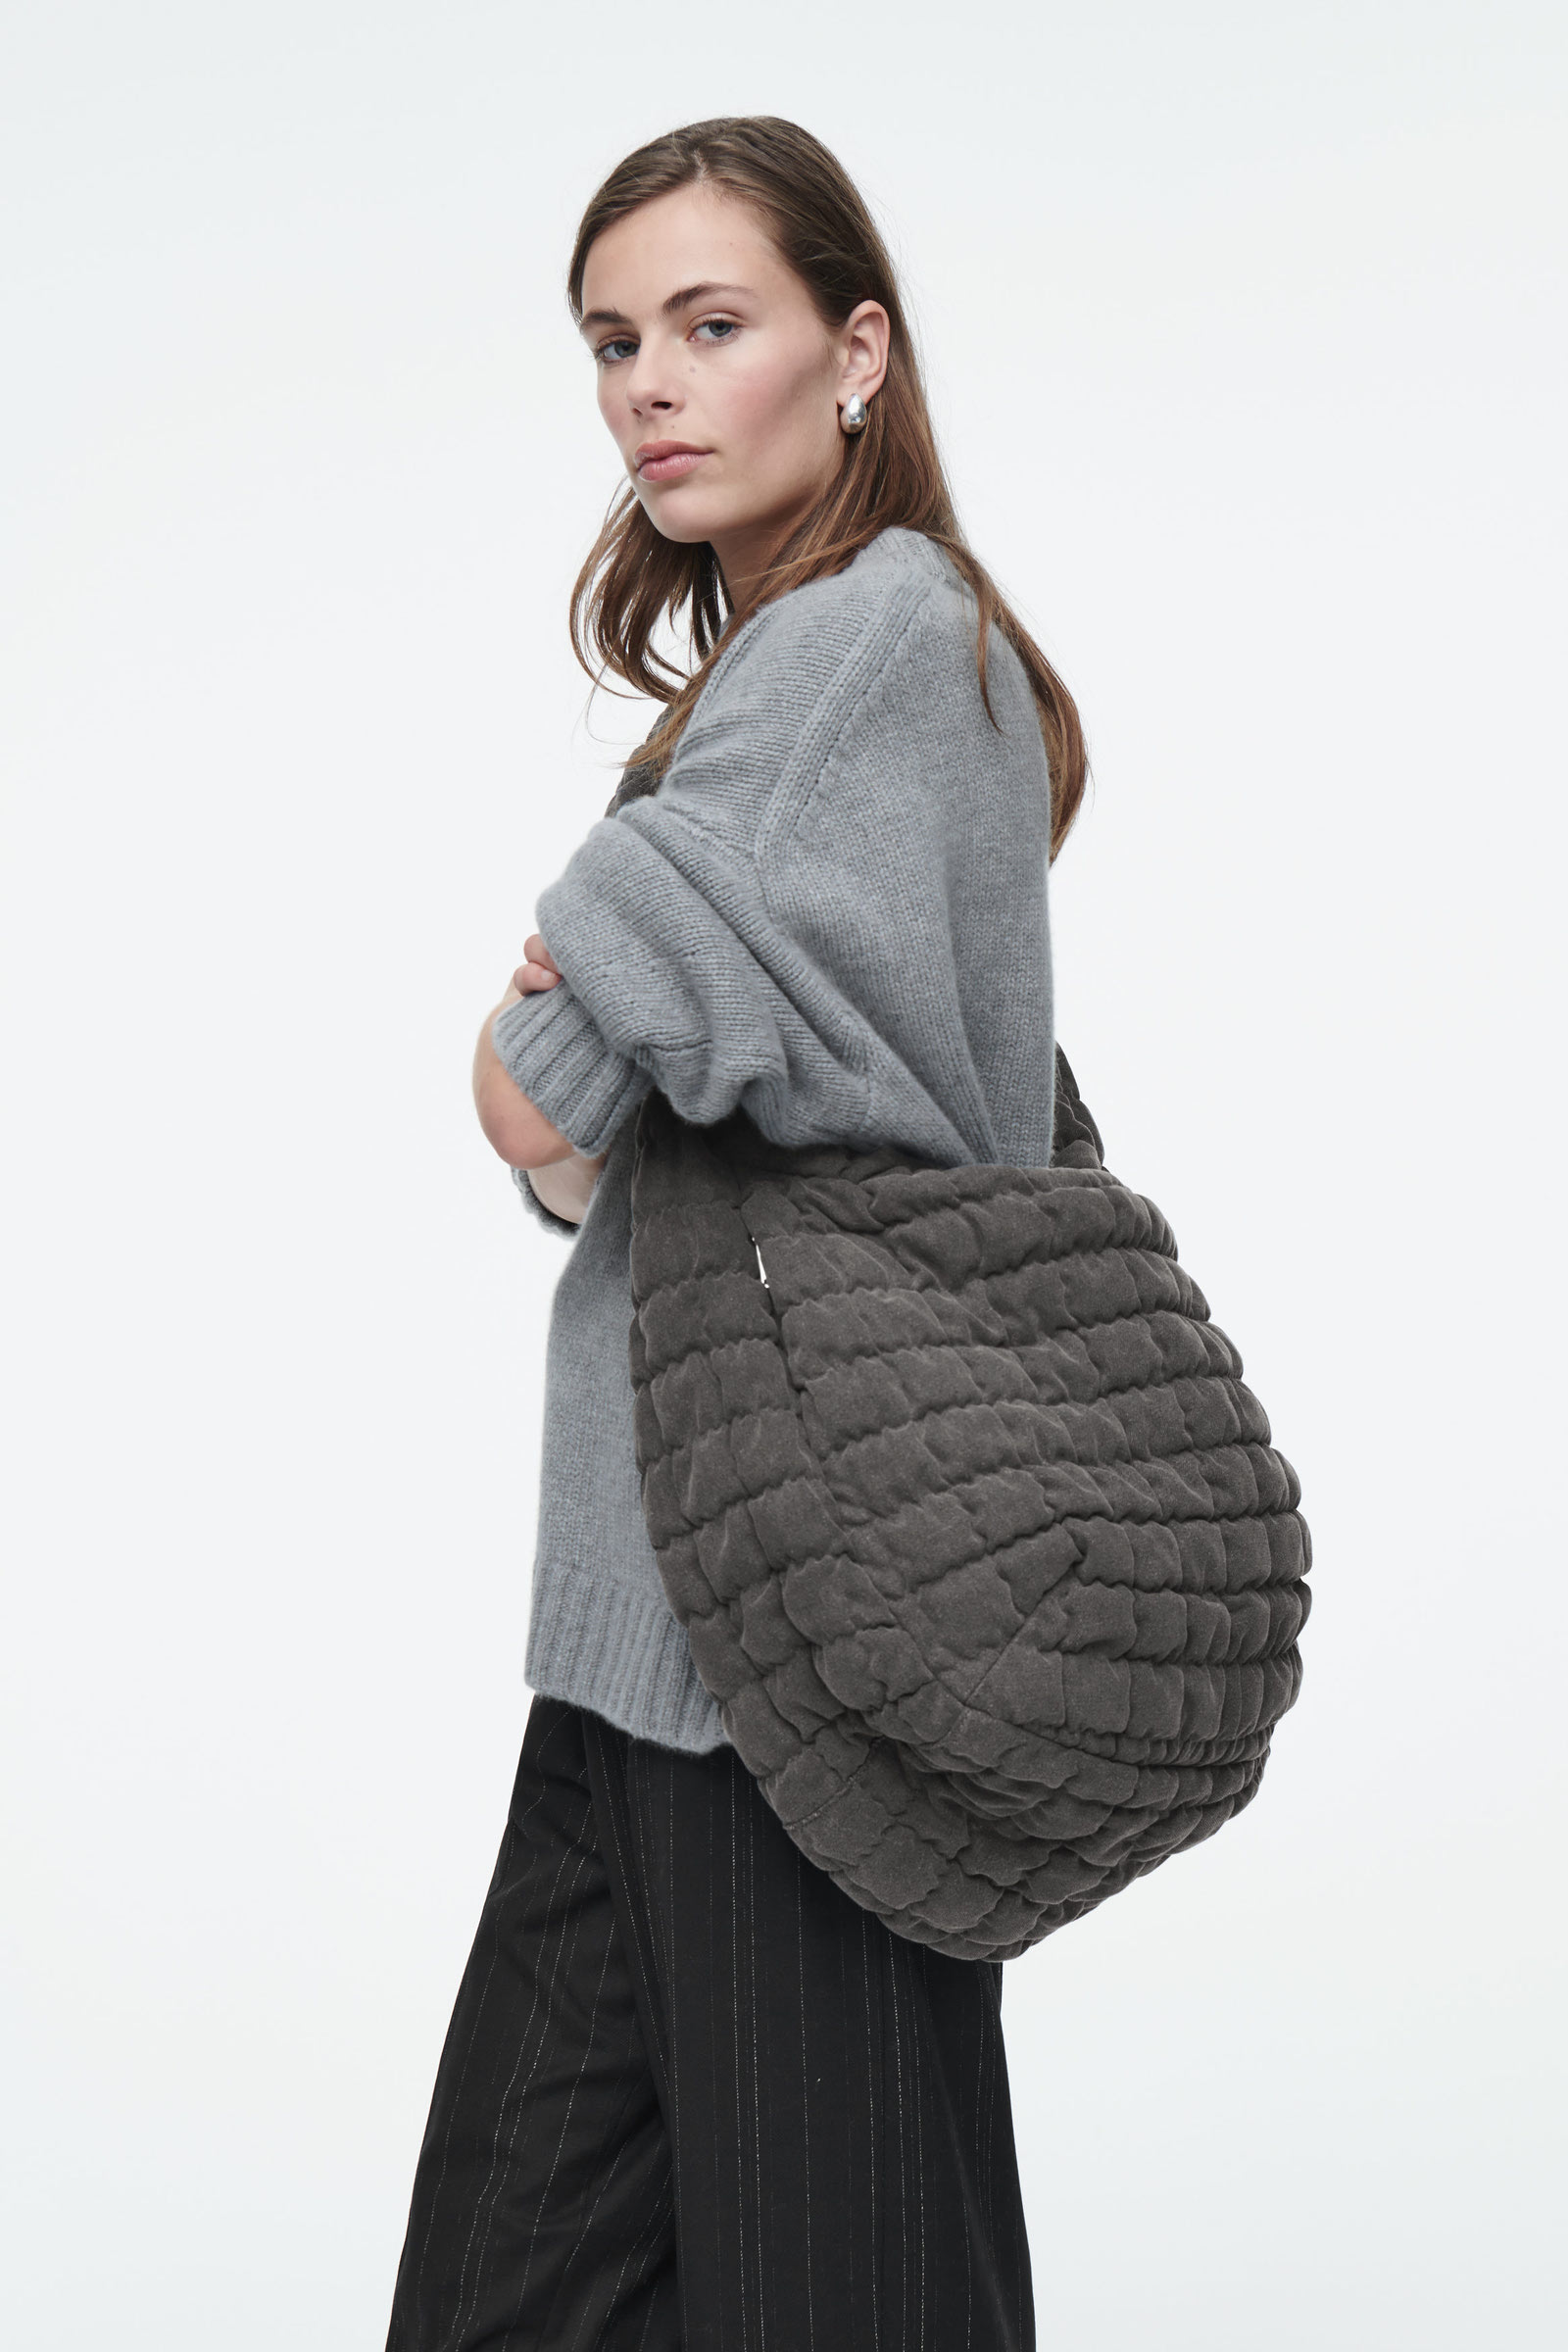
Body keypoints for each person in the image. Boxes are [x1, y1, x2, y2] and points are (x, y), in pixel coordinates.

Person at [385, 114, 1087, 2352]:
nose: (650, 390)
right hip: (658, 1641)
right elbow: (612, 1153)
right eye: (615, 343)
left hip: (782, 1640)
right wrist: (590, 1086)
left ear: (856, 352)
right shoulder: (860, 658)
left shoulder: (848, 654)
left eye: (711, 324)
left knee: (837, 2294)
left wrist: (551, 1031)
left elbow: (533, 1095)